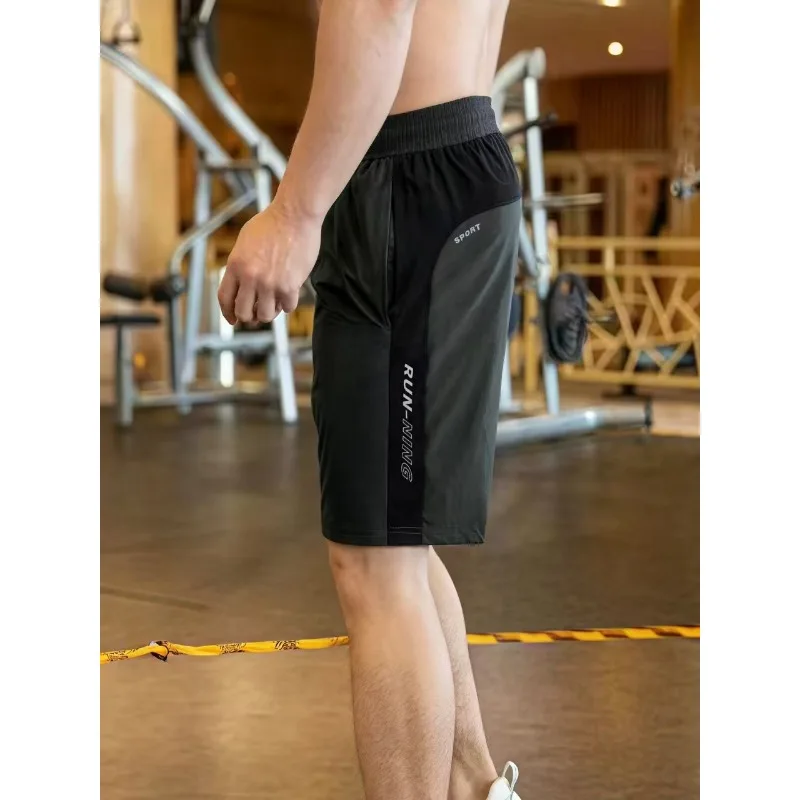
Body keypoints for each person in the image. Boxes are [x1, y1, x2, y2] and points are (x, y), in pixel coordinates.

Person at [218, 1, 522, 798]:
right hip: (435, 158)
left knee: (376, 563)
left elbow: (380, 7)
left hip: (412, 177)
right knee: (392, 540)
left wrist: (296, 212)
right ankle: (473, 786)